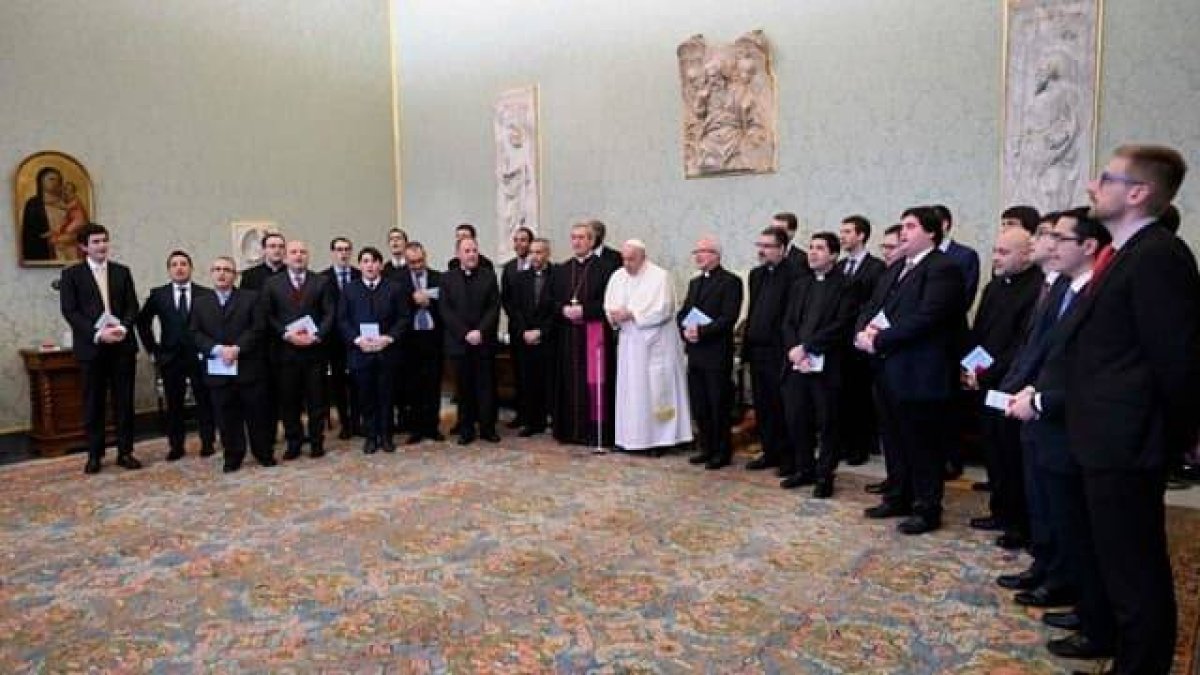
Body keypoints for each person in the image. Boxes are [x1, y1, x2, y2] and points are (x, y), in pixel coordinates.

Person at [1062, 145, 1199, 673]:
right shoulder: (1125, 253)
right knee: (1113, 560)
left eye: (1104, 177)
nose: (1093, 186)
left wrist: (1178, 436)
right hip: (1104, 436)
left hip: (1129, 439)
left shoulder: (1159, 255)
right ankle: (1120, 649)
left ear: (1137, 192)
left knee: (1135, 568)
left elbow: (1177, 357)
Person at [1007, 209, 1115, 661]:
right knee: (1049, 506)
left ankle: (1088, 612)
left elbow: (1082, 367)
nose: (1047, 242)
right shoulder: (1062, 289)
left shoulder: (1093, 291)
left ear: (1087, 246)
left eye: (1056, 235)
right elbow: (1042, 352)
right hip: (1040, 409)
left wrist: (1039, 397)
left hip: (1067, 421)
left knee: (1074, 522)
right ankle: (1057, 575)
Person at [855, 206, 966, 534]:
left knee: (923, 444)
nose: (903, 232)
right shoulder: (896, 269)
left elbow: (929, 318)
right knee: (894, 438)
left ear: (931, 232)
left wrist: (879, 340)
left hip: (920, 372)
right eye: (902, 226)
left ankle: (927, 508)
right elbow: (872, 306)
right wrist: (862, 331)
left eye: (911, 226)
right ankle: (898, 496)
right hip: (888, 370)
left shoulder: (944, 267)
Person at [962, 228, 1043, 549]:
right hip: (985, 382)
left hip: (1014, 384)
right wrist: (970, 368)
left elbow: (1021, 344)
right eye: (994, 251)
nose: (995, 258)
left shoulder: (1037, 288)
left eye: (1004, 253)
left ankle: (1020, 524)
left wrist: (988, 373)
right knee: (993, 451)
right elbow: (979, 331)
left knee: (1013, 455)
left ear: (1026, 254)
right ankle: (1000, 511)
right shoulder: (994, 286)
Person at [59, 223, 141, 474]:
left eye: (104, 240)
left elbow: (132, 307)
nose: (102, 246)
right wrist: (97, 334)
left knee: (124, 402)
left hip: (122, 346)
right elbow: (70, 311)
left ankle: (125, 452)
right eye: (95, 242)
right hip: (92, 348)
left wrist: (123, 329)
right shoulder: (72, 275)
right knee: (93, 402)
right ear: (84, 246)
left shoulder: (122, 272)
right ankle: (94, 454)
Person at [780, 233, 858, 497]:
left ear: (834, 255)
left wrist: (807, 347)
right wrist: (794, 349)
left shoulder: (847, 285)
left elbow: (842, 324)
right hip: (797, 364)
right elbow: (788, 321)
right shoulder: (800, 284)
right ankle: (804, 469)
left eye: (820, 249)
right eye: (811, 248)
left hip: (827, 366)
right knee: (796, 417)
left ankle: (825, 475)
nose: (812, 253)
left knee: (827, 423)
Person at [604, 239, 693, 454]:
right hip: (629, 344)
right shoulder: (618, 276)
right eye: (624, 258)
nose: (626, 263)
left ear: (643, 257)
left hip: (655, 345)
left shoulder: (659, 277)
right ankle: (630, 439)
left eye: (631, 259)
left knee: (655, 391)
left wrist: (633, 314)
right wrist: (614, 315)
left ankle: (659, 441)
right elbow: (609, 304)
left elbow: (664, 309)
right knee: (631, 392)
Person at [190, 257, 277, 472]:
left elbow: (258, 328)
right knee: (226, 417)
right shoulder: (201, 302)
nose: (222, 274)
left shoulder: (251, 298)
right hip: (218, 370)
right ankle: (233, 455)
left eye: (227, 270)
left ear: (235, 275)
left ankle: (263, 452)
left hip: (248, 367)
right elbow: (194, 333)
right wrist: (218, 350)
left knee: (257, 415)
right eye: (217, 269)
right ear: (211, 273)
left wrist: (237, 348)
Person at [135, 250, 216, 461]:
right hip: (171, 357)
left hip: (199, 357)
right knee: (175, 404)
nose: (179, 268)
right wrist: (153, 349)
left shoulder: (205, 294)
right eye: (174, 265)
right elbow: (142, 322)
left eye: (183, 264)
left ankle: (208, 442)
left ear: (191, 268)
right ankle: (176, 446)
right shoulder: (158, 294)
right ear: (169, 270)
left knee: (204, 402)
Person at [262, 240, 336, 460]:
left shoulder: (321, 281)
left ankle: (316, 442)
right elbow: (267, 315)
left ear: (308, 256)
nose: (298, 256)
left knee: (317, 401)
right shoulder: (272, 284)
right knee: (289, 402)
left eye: (303, 252)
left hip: (314, 352)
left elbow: (329, 313)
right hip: (285, 353)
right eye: (293, 252)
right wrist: (286, 334)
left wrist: (317, 335)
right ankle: (293, 442)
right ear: (285, 257)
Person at [551, 222, 619, 448]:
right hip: (568, 338)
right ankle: (570, 431)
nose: (577, 242)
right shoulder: (561, 269)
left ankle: (595, 432)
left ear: (591, 241)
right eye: (574, 237)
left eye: (582, 237)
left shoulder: (606, 269)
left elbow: (611, 303)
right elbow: (550, 302)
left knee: (594, 383)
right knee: (569, 383)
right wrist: (562, 310)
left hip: (594, 336)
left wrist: (584, 311)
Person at [678, 235, 744, 470]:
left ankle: (721, 452)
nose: (698, 256)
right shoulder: (695, 283)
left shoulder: (731, 282)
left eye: (703, 251)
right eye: (695, 252)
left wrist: (701, 331)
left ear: (716, 255)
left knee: (718, 404)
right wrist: (685, 329)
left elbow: (728, 318)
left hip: (716, 353)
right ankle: (706, 448)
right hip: (695, 352)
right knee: (700, 404)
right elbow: (683, 311)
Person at [338, 247, 409, 454]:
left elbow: (404, 318)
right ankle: (370, 436)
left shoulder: (393, 288)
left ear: (380, 265)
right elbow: (342, 320)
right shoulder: (349, 290)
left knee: (386, 396)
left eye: (374, 261)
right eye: (365, 261)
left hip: (387, 352)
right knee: (366, 398)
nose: (370, 265)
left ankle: (386, 436)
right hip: (361, 353)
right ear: (360, 265)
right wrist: (357, 340)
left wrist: (389, 338)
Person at [741, 226, 798, 473]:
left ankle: (788, 457)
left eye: (767, 246)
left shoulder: (795, 274)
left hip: (780, 352)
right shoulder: (756, 275)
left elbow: (792, 315)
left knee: (782, 406)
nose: (761, 251)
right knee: (762, 405)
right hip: (757, 350)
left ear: (783, 249)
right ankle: (769, 451)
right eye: (759, 246)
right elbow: (753, 312)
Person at [836, 215, 887, 466]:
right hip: (838, 342)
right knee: (841, 395)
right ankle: (844, 444)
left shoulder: (876, 267)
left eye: (847, 231)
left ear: (861, 235)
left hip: (861, 341)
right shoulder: (839, 266)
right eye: (841, 231)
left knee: (860, 397)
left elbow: (875, 304)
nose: (842, 236)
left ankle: (861, 446)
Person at [932, 204, 978, 479]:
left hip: (951, 337)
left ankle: (952, 457)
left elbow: (965, 297)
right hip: (922, 343)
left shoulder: (965, 255)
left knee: (950, 401)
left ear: (946, 224)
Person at [441, 237, 501, 445]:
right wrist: (465, 333)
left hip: (483, 343)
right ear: (458, 254)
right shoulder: (447, 279)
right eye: (467, 251)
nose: (472, 254)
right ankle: (466, 429)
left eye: (474, 250)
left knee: (486, 388)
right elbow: (445, 310)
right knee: (463, 389)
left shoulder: (489, 277)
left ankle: (487, 428)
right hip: (460, 343)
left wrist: (480, 331)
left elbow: (494, 308)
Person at [508, 237, 556, 437]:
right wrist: (525, 331)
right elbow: (514, 308)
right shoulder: (520, 278)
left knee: (549, 381)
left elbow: (557, 309)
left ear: (547, 254)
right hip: (525, 338)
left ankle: (552, 419)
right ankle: (532, 422)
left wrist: (541, 332)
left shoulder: (557, 276)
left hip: (548, 338)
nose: (535, 256)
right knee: (529, 382)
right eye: (533, 252)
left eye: (539, 252)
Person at [400, 242, 445, 444]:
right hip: (410, 339)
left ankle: (432, 427)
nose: (417, 265)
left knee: (433, 384)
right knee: (413, 385)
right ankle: (416, 428)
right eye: (412, 262)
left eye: (420, 261)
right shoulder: (398, 280)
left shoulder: (438, 277)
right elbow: (396, 308)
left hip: (433, 337)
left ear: (425, 256)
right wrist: (413, 301)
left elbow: (447, 306)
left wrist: (430, 302)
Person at [321, 237, 362, 440]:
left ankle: (357, 421)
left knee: (357, 381)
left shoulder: (359, 274)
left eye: (347, 249)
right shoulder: (322, 278)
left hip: (355, 337)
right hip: (333, 340)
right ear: (332, 252)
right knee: (338, 382)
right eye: (339, 249)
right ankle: (345, 423)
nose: (343, 253)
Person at [500, 226, 535, 428]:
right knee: (519, 373)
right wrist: (519, 323)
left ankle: (538, 414)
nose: (519, 244)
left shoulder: (539, 265)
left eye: (523, 240)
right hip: (517, 329)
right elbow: (506, 299)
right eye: (516, 240)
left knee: (537, 374)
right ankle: (521, 414)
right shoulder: (509, 268)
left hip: (538, 330)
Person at [21, 166, 66, 262]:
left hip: (65, 247)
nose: (55, 182)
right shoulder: (33, 204)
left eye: (58, 180)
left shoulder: (66, 202)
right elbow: (30, 232)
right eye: (51, 179)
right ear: (41, 181)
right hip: (44, 249)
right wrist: (45, 236)